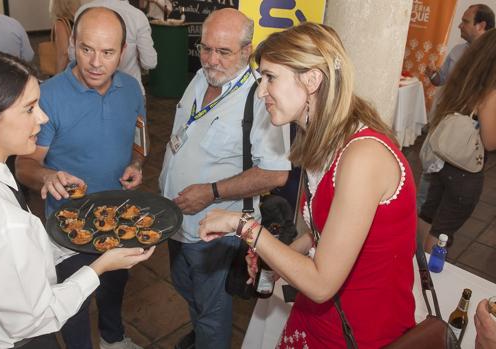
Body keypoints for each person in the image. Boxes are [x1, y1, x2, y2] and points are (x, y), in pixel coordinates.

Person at [0, 47, 153, 349]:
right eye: (29, 108)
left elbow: (5, 259)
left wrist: (76, 240)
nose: (42, 118)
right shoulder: (1, 219)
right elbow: (37, 317)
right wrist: (101, 266)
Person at [199, 23, 417, 348]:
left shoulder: (362, 157)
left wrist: (244, 227)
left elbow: (320, 283)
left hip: (360, 330)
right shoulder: (323, 140)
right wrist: (279, 255)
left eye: (271, 77)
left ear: (312, 79)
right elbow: (322, 234)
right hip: (323, 318)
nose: (261, 92)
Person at [159, 8, 291, 349]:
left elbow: (276, 173)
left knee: (213, 308)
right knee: (187, 288)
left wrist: (212, 191)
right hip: (176, 219)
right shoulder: (202, 76)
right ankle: (201, 331)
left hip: (216, 231)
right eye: (205, 48)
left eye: (224, 51)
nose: (211, 60)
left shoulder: (261, 98)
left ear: (247, 50)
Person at [15, 7, 146, 349]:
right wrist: (47, 174)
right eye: (86, 49)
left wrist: (137, 164)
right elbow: (23, 165)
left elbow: (139, 140)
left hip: (120, 217)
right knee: (73, 301)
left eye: (107, 52)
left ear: (124, 50)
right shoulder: (49, 96)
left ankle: (113, 339)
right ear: (72, 43)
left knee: (116, 284)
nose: (96, 63)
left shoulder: (132, 90)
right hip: (68, 223)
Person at [419, 28, 496, 252]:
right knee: (442, 230)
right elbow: (490, 142)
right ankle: (429, 275)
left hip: (442, 162)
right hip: (465, 171)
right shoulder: (491, 93)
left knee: (427, 214)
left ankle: (414, 261)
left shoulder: (465, 81)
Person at [75, 0, 157, 96]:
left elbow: (73, 55)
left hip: (86, 91)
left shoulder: (83, 11)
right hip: (129, 93)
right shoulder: (138, 16)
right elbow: (149, 62)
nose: (96, 63)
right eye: (87, 49)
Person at [425, 4, 494, 86]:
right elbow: (442, 79)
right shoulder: (457, 50)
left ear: (481, 26)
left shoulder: (492, 55)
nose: (460, 26)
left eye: (465, 21)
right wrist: (433, 75)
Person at [50, 0, 79, 73]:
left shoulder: (61, 23)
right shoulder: (79, 19)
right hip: (79, 67)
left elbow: (63, 54)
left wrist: (57, 77)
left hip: (69, 70)